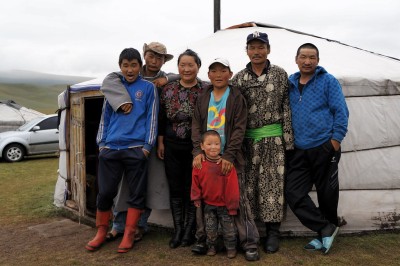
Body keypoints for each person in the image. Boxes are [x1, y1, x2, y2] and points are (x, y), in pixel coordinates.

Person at [100, 42, 178, 243]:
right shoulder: (123, 76)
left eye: (160, 58)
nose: (155, 61)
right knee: (122, 187)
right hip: (124, 142)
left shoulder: (163, 78)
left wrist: (166, 78)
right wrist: (102, 143)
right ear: (144, 56)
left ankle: (140, 226)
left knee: (149, 184)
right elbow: (108, 82)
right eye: (152, 56)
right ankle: (118, 226)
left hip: (150, 138)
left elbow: (185, 75)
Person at [85, 48, 158, 253]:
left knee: (136, 194)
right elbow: (105, 118)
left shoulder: (148, 88)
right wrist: (102, 144)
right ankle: (101, 232)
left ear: (140, 66)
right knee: (106, 192)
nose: (129, 69)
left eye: (133, 65)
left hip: (135, 148)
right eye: (125, 65)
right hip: (111, 148)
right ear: (120, 67)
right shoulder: (113, 87)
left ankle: (129, 233)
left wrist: (147, 147)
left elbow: (152, 118)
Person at [230, 31, 294, 256]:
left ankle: (273, 233)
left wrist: (288, 142)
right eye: (252, 47)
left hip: (273, 140)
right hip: (247, 142)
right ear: (246, 50)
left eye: (261, 47)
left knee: (272, 186)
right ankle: (250, 232)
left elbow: (286, 108)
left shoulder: (280, 75)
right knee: (249, 187)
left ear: (268, 49)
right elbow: (233, 112)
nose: (256, 52)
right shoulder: (238, 78)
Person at [191, 58, 260, 261]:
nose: (218, 74)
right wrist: (197, 151)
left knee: (238, 200)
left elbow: (240, 127)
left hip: (230, 158)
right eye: (214, 71)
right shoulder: (203, 96)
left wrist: (228, 155)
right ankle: (204, 240)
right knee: (203, 202)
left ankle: (249, 242)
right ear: (209, 75)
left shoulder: (236, 96)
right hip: (205, 159)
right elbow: (196, 125)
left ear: (230, 74)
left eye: (223, 70)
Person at [285, 43, 349, 254]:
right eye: (303, 56)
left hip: (324, 146)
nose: (307, 61)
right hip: (299, 149)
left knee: (327, 194)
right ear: (296, 59)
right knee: (293, 193)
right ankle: (325, 227)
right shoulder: (290, 83)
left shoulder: (328, 81)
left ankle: (323, 238)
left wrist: (334, 142)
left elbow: (341, 111)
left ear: (318, 60)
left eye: (312, 57)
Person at [157, 49, 209, 248]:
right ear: (177, 68)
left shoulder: (206, 89)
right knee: (175, 188)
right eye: (183, 65)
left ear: (198, 66)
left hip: (195, 147)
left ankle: (190, 230)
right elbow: (162, 117)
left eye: (191, 65)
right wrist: (160, 143)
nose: (186, 69)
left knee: (192, 189)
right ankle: (177, 230)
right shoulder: (168, 89)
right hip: (171, 145)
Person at [191, 130, 240, 259]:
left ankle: (231, 248)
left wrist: (232, 206)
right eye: (209, 144)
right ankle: (212, 247)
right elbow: (195, 183)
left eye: (217, 144)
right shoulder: (199, 164)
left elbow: (233, 187)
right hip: (208, 204)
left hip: (225, 206)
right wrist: (196, 197)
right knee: (210, 229)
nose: (213, 147)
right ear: (202, 146)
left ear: (221, 145)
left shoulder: (226, 165)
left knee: (229, 229)